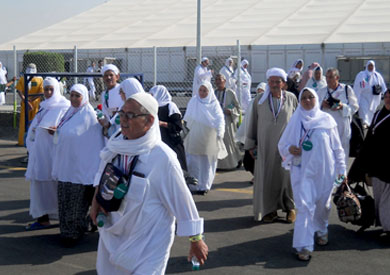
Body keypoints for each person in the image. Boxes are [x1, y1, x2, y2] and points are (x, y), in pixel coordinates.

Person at [90, 92, 208, 274]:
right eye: (121, 114)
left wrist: (196, 239)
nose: (123, 120)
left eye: (130, 115)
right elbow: (102, 172)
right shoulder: (115, 147)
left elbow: (181, 199)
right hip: (113, 235)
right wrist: (96, 199)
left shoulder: (163, 158)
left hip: (148, 243)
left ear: (149, 121)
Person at [278, 87, 347, 261]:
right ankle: (304, 246)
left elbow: (337, 149)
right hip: (301, 172)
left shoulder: (327, 120)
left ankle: (322, 229)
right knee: (304, 208)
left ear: (316, 99)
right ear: (300, 102)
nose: (308, 101)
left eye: (311, 97)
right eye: (304, 98)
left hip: (325, 172)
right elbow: (282, 145)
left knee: (323, 205)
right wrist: (289, 149)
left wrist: (342, 170)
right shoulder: (295, 120)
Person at [51, 84, 104, 245]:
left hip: (81, 169)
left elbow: (94, 143)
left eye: (77, 96)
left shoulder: (90, 116)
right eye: (72, 95)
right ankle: (66, 231)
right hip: (66, 167)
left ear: (84, 97)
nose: (73, 99)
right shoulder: (69, 113)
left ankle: (74, 233)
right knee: (65, 201)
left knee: (77, 203)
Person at [245, 67, 297, 223]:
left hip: (287, 147)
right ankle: (270, 210)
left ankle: (290, 208)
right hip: (265, 146)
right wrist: (250, 145)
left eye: (278, 81)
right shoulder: (259, 100)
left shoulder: (291, 98)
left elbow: (297, 121)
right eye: (272, 81)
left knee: (287, 178)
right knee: (267, 178)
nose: (274, 84)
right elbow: (252, 123)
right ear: (268, 82)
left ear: (283, 83)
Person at [25, 78, 70, 230]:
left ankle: (59, 217)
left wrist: (57, 131)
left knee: (54, 186)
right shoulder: (44, 107)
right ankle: (43, 218)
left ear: (57, 89)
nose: (48, 93)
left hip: (52, 156)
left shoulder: (64, 107)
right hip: (39, 155)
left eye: (51, 89)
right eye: (46, 90)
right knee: (39, 187)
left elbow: (68, 129)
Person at [349, 89, 390, 236]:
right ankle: (384, 224)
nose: (388, 100)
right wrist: (359, 165)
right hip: (378, 164)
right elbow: (369, 141)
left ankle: (388, 228)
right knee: (380, 197)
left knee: (387, 199)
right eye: (386, 97)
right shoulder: (379, 114)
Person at [184, 81, 227, 195]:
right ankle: (194, 185)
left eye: (205, 91)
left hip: (209, 136)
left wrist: (220, 132)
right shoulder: (194, 101)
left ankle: (204, 185)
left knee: (207, 162)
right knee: (193, 160)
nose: (202, 93)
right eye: (201, 90)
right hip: (194, 135)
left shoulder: (213, 103)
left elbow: (219, 118)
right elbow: (187, 117)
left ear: (209, 91)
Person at [317, 68, 359, 163]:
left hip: (342, 127)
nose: (328, 80)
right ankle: (329, 176)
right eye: (327, 77)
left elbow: (355, 107)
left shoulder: (346, 90)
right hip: (326, 127)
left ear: (337, 78)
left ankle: (341, 176)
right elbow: (314, 108)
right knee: (327, 153)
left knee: (342, 153)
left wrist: (342, 106)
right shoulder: (321, 92)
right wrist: (321, 104)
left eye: (331, 77)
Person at [149, 85, 188, 171]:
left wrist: (162, 123)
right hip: (159, 141)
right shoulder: (153, 107)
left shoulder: (170, 106)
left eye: (152, 95)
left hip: (172, 142)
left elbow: (177, 126)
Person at [214, 74, 243, 170]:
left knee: (228, 141)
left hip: (227, 120)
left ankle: (233, 162)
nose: (218, 81)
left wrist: (231, 111)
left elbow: (237, 107)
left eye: (220, 79)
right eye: (216, 80)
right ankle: (219, 165)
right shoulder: (213, 93)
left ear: (224, 81)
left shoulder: (230, 93)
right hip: (216, 122)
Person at [16, 63, 44, 146]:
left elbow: (19, 91)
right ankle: (32, 141)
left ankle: (22, 141)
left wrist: (26, 101)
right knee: (34, 123)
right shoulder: (40, 79)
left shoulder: (23, 78)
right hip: (34, 104)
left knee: (24, 123)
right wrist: (31, 100)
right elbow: (41, 92)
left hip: (26, 104)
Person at [353, 60, 387, 128]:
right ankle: (364, 123)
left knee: (372, 111)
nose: (370, 67)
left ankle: (371, 124)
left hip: (374, 98)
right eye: (369, 66)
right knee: (364, 110)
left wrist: (385, 93)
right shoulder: (362, 74)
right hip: (364, 97)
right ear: (367, 66)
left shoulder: (377, 75)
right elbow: (358, 86)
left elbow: (383, 85)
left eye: (372, 66)